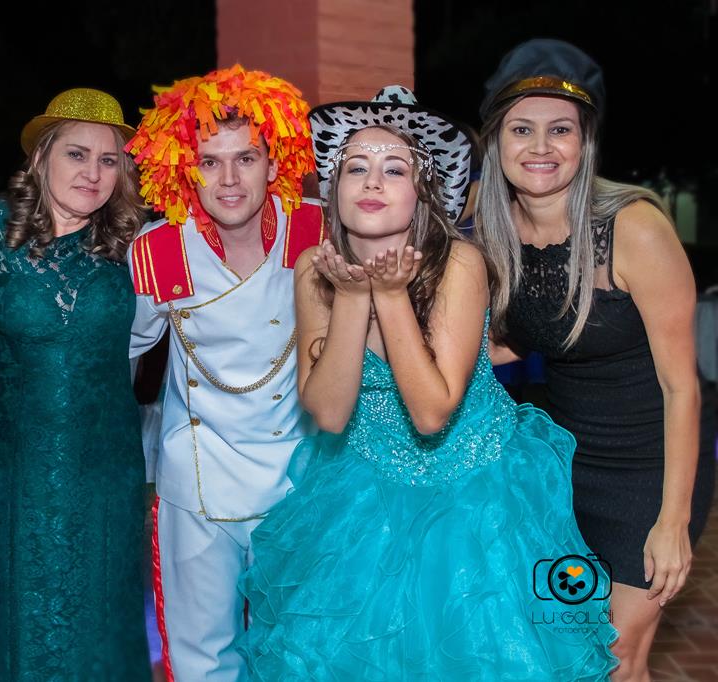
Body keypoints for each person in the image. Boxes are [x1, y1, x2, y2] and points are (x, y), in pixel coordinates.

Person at [239, 86, 619, 680]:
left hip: (476, 498)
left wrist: (389, 298)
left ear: (422, 192)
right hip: (365, 494)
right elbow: (331, 414)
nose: (371, 182)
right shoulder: (317, 267)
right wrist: (353, 296)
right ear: (331, 188)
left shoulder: (459, 264)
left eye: (394, 169)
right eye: (355, 168)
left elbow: (431, 412)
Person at [473, 39, 714, 681]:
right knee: (565, 643)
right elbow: (525, 338)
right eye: (521, 129)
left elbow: (681, 388)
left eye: (561, 130)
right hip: (562, 469)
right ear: (495, 141)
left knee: (615, 657)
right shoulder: (493, 229)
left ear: (586, 142)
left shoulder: (633, 229)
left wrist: (673, 520)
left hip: (647, 471)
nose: (541, 147)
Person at [126, 65, 325, 681]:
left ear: (276, 163)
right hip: (197, 486)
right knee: (202, 657)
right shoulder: (159, 251)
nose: (230, 179)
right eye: (210, 162)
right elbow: (112, 360)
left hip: (302, 480)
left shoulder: (316, 231)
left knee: (299, 650)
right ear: (185, 170)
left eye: (246, 158)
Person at [0, 87, 151, 681]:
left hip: (105, 468)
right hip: (13, 467)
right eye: (76, 154)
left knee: (102, 615)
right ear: (40, 158)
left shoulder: (137, 246)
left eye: (109, 159)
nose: (93, 173)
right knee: (20, 609)